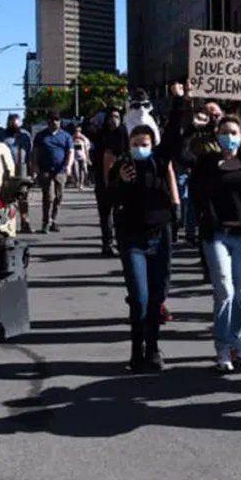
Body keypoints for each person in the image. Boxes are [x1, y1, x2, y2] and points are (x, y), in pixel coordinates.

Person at [182, 114, 241, 372]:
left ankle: (237, 342)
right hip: (218, 235)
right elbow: (180, 154)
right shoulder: (206, 163)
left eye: (233, 132)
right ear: (216, 135)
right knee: (225, 292)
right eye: (224, 132)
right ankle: (222, 348)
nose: (228, 137)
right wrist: (190, 127)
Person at [108, 124, 180, 372]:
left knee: (156, 297)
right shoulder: (121, 167)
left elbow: (172, 140)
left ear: (153, 145)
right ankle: (136, 351)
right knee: (139, 298)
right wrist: (121, 181)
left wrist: (180, 102)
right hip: (132, 239)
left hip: (160, 236)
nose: (140, 148)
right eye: (135, 143)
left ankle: (153, 349)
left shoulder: (159, 162)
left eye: (145, 143)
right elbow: (110, 198)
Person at [32, 111, 74, 233]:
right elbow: (35, 152)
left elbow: (70, 152)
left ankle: (53, 221)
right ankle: (45, 222)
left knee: (59, 196)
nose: (54, 122)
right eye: (52, 120)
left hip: (60, 171)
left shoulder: (66, 136)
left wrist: (69, 165)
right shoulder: (41, 136)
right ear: (48, 122)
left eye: (56, 120)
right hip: (45, 170)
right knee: (48, 197)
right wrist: (35, 166)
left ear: (60, 122)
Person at [93, 108, 127, 255]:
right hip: (102, 179)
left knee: (120, 213)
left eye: (117, 116)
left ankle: (122, 242)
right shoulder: (101, 135)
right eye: (111, 116)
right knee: (105, 213)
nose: (114, 119)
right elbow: (88, 127)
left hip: (119, 180)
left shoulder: (123, 134)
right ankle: (107, 243)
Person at [0, 114, 33, 233]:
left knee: (23, 197)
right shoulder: (1, 136)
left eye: (16, 124)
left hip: (22, 168)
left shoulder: (25, 136)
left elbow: (30, 153)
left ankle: (25, 222)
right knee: (6, 198)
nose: (14, 126)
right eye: (12, 124)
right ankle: (7, 224)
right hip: (6, 170)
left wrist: (32, 169)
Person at [71, 123, 91, 190]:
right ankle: (77, 182)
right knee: (76, 171)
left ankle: (81, 184)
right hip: (75, 157)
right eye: (76, 131)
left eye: (78, 131)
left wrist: (88, 158)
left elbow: (87, 148)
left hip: (83, 156)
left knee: (83, 171)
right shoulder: (72, 138)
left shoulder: (84, 138)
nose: (77, 132)